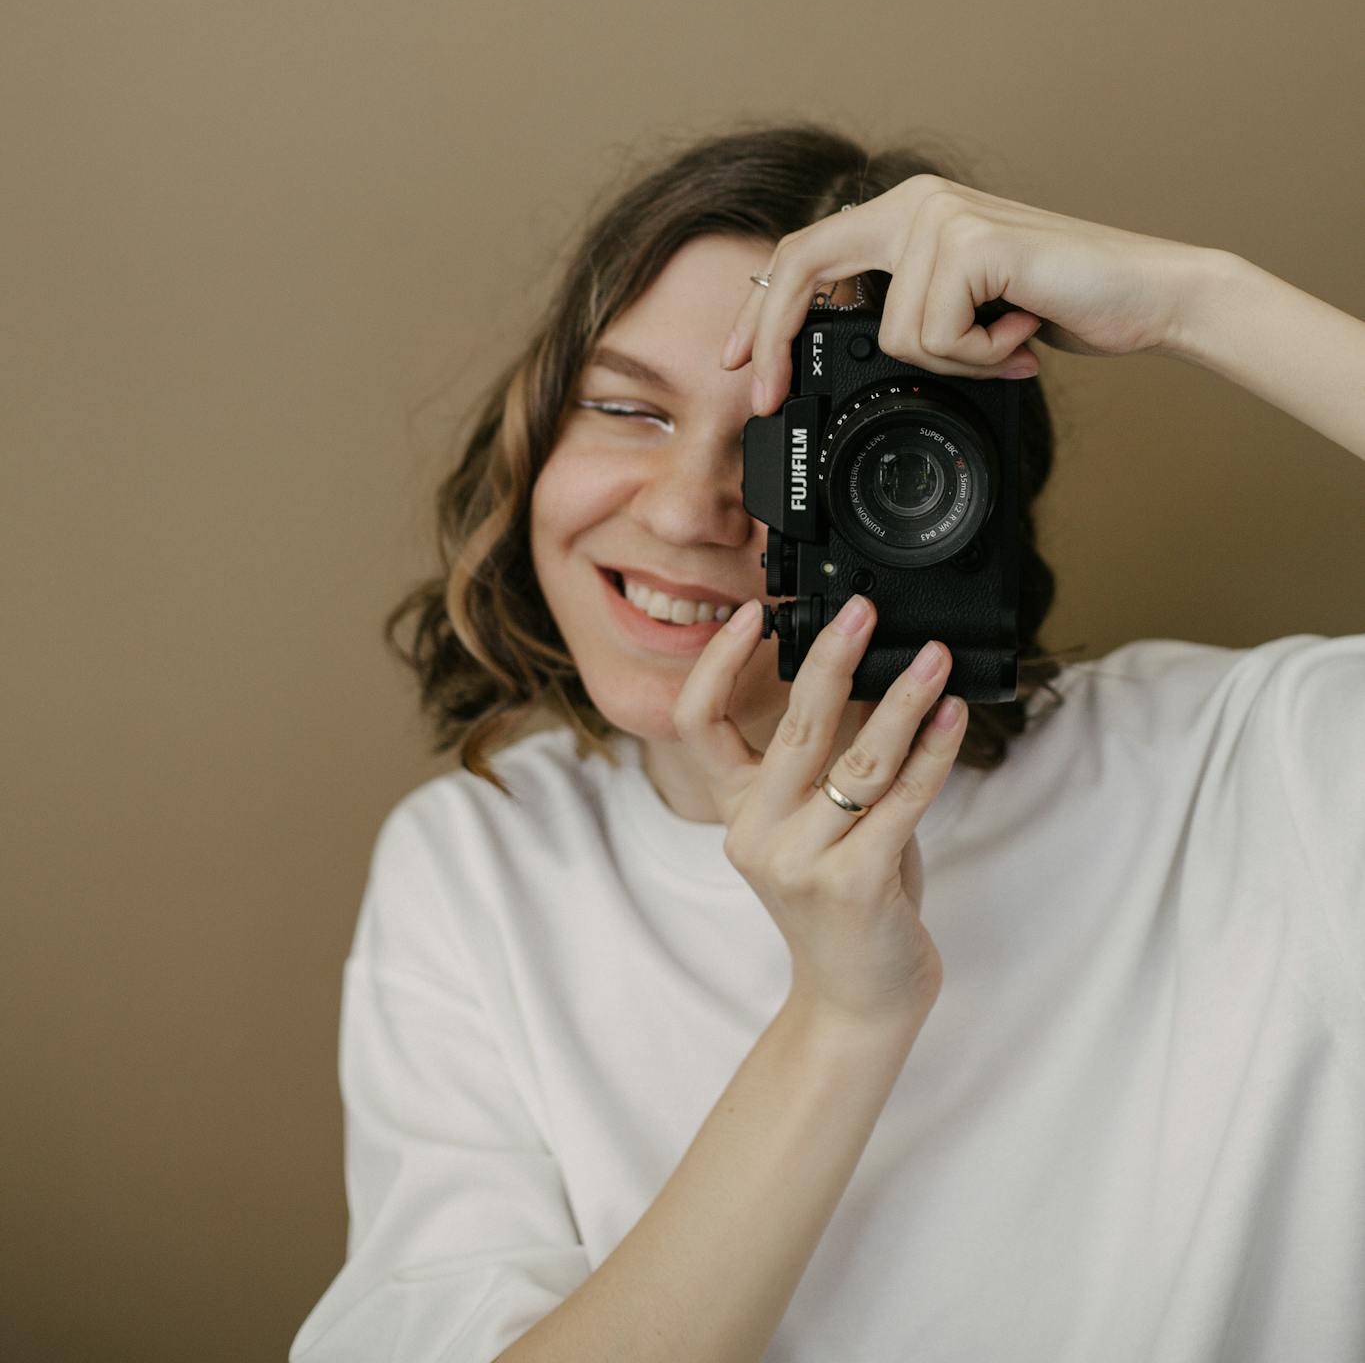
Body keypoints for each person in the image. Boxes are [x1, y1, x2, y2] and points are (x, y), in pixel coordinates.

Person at [289, 121, 1365, 1363]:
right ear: (531, 439)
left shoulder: (1246, 776)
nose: (690, 505)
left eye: (790, 431)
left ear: (943, 485)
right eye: (629, 406)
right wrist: (844, 1017)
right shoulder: (484, 868)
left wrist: (1199, 299)